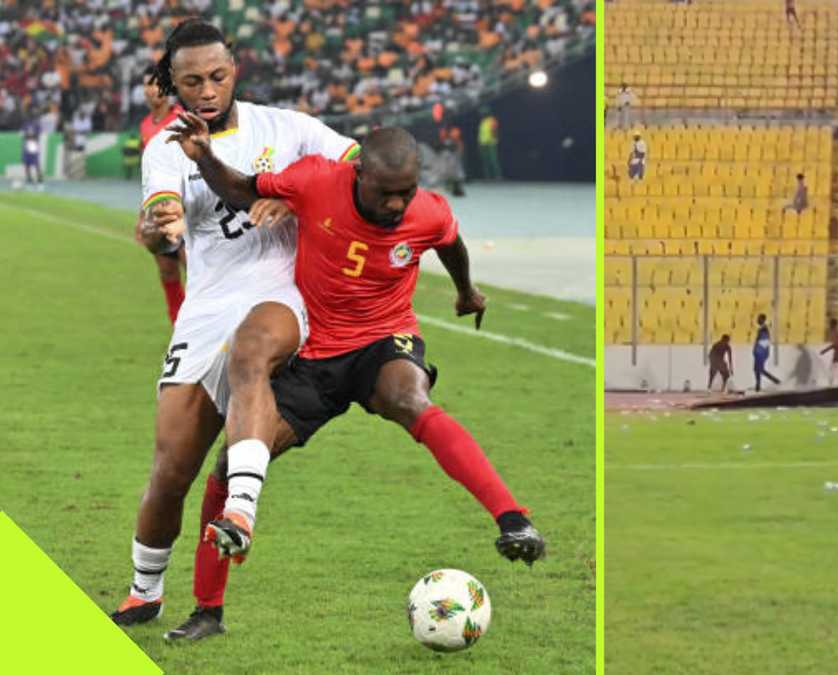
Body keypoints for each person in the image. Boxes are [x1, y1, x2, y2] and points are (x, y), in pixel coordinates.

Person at [160, 122, 547, 636]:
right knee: (233, 461)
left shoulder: (427, 210)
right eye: (385, 193)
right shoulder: (315, 180)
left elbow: (450, 243)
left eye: (405, 193)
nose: (395, 205)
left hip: (383, 341)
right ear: (357, 172)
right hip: (316, 354)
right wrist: (204, 155)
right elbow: (238, 188)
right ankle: (208, 610)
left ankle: (512, 518)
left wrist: (466, 291)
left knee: (409, 397)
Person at [109, 19, 366, 635]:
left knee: (252, 354)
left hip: (281, 291)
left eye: (217, 76)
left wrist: (301, 192)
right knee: (170, 471)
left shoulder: (289, 128)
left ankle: (242, 509)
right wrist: (160, 230)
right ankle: (145, 592)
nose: (206, 89)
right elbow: (162, 212)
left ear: (235, 71)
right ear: (172, 81)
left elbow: (359, 165)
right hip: (206, 307)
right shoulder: (164, 148)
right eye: (192, 79)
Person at [134, 64, 187, 325]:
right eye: (148, 83)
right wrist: (141, 215)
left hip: (184, 209)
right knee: (167, 271)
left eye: (157, 83)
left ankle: (207, 327)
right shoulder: (145, 126)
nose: (152, 89)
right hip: (157, 211)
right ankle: (178, 325)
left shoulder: (182, 120)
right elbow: (148, 176)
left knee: (197, 271)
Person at [752, 314, 781, 392]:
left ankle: (774, 382)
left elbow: (765, 341)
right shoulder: (762, 329)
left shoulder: (764, 329)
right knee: (757, 369)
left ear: (762, 319)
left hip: (761, 353)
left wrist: (758, 351)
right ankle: (759, 385)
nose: (757, 320)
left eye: (758, 318)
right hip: (759, 352)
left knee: (759, 369)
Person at [478, 109, 502, 179]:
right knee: (485, 160)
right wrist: (480, 143)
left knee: (493, 159)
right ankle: (487, 176)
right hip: (483, 143)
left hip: (491, 143)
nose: (482, 115)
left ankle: (498, 175)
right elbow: (481, 133)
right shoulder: (482, 121)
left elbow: (495, 131)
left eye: (483, 113)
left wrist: (494, 138)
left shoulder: (492, 120)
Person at [21, 118, 42, 185]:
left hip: (32, 142)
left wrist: (32, 136)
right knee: (28, 161)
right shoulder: (26, 123)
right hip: (29, 142)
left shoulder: (35, 124)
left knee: (34, 160)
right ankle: (30, 176)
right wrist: (28, 136)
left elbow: (38, 134)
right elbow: (23, 134)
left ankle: (38, 176)